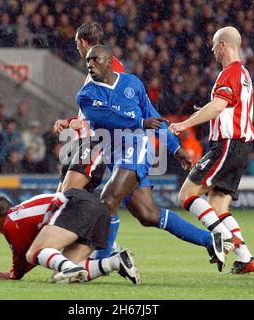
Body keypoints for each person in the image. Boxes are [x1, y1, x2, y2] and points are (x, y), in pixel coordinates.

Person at [77, 45, 226, 271]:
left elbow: (152, 117)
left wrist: (176, 148)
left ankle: (100, 263)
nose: (90, 64)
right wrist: (139, 122)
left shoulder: (132, 84)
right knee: (147, 214)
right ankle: (209, 240)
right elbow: (107, 117)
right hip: (114, 156)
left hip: (136, 147)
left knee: (107, 201)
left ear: (109, 61)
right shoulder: (86, 95)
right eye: (88, 61)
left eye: (95, 60)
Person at [169, 26, 254, 274]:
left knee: (186, 195)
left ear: (222, 45)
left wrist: (184, 123)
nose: (210, 49)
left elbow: (219, 106)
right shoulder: (244, 74)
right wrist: (206, 111)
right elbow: (225, 107)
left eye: (213, 44)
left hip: (227, 145)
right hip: (240, 147)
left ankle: (223, 238)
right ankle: (246, 259)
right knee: (218, 207)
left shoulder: (229, 73)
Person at [54, 22, 125, 260]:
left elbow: (113, 109)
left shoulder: (110, 68)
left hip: (97, 141)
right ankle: (97, 244)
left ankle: (102, 240)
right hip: (85, 140)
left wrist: (81, 124)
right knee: (62, 197)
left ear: (83, 43)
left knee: (70, 194)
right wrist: (72, 120)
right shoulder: (96, 67)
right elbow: (92, 109)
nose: (77, 49)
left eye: (77, 44)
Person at [0, 189, 140, 284]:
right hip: (100, 211)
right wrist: (13, 273)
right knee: (66, 273)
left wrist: (13, 274)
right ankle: (115, 262)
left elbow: (24, 254)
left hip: (79, 207)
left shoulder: (10, 222)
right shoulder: (22, 215)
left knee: (33, 254)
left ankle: (70, 268)